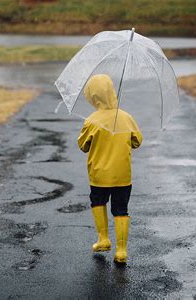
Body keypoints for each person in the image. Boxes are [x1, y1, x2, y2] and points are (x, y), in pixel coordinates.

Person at [77, 74, 142, 264]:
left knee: (98, 201)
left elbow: (83, 146)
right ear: (112, 92)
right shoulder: (126, 117)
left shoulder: (92, 121)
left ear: (93, 97)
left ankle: (103, 239)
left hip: (99, 175)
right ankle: (121, 251)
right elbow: (137, 141)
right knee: (121, 209)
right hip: (122, 176)